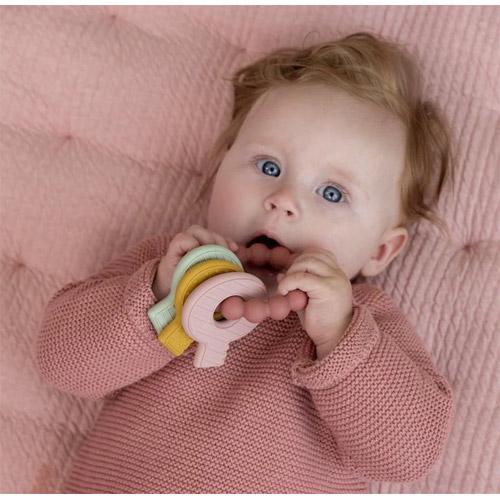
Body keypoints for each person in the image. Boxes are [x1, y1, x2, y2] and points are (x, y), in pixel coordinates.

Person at [36, 32, 454, 493]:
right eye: (269, 167)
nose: (283, 200)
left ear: (380, 251)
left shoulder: (364, 324)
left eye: (332, 193)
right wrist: (160, 295)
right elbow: (61, 364)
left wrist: (340, 337)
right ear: (219, 171)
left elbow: (407, 456)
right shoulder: (167, 268)